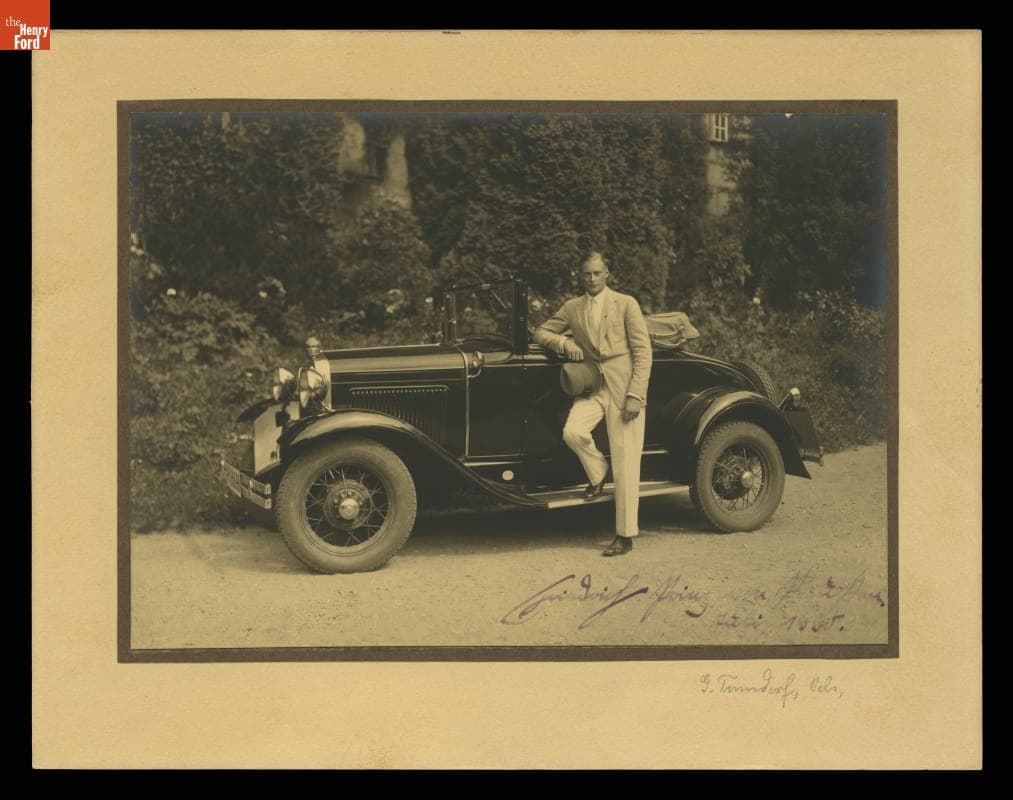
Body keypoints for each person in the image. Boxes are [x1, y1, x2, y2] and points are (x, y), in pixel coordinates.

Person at [533, 252, 653, 556]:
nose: (592, 279)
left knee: (626, 460)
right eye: (587, 274)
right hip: (592, 385)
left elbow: (643, 353)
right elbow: (541, 332)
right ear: (580, 276)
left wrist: (635, 395)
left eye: (597, 273)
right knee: (572, 431)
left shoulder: (626, 304)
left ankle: (624, 536)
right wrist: (565, 343)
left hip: (624, 387)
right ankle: (599, 474)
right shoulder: (572, 307)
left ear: (607, 273)